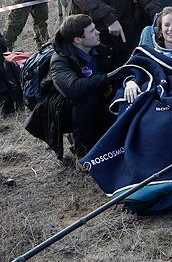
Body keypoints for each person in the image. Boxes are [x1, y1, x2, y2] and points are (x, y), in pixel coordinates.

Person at [24, 14, 113, 159]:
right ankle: (82, 152)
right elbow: (72, 89)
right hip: (61, 109)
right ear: (78, 40)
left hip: (91, 101)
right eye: (92, 31)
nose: (98, 32)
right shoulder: (59, 59)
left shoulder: (100, 50)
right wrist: (104, 78)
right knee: (85, 98)